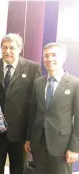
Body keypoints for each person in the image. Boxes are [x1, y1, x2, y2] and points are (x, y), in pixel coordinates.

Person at [0, 33, 42, 174]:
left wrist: (29, 135)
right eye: (4, 47)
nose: (7, 51)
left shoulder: (32, 68)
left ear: (20, 49)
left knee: (18, 169)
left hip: (20, 132)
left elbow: (35, 102)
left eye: (12, 48)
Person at [25, 43, 79, 174]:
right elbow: (33, 113)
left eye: (54, 55)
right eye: (46, 56)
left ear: (63, 57)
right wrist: (28, 139)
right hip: (38, 142)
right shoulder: (38, 83)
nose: (49, 59)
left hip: (62, 144)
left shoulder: (74, 83)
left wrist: (75, 148)